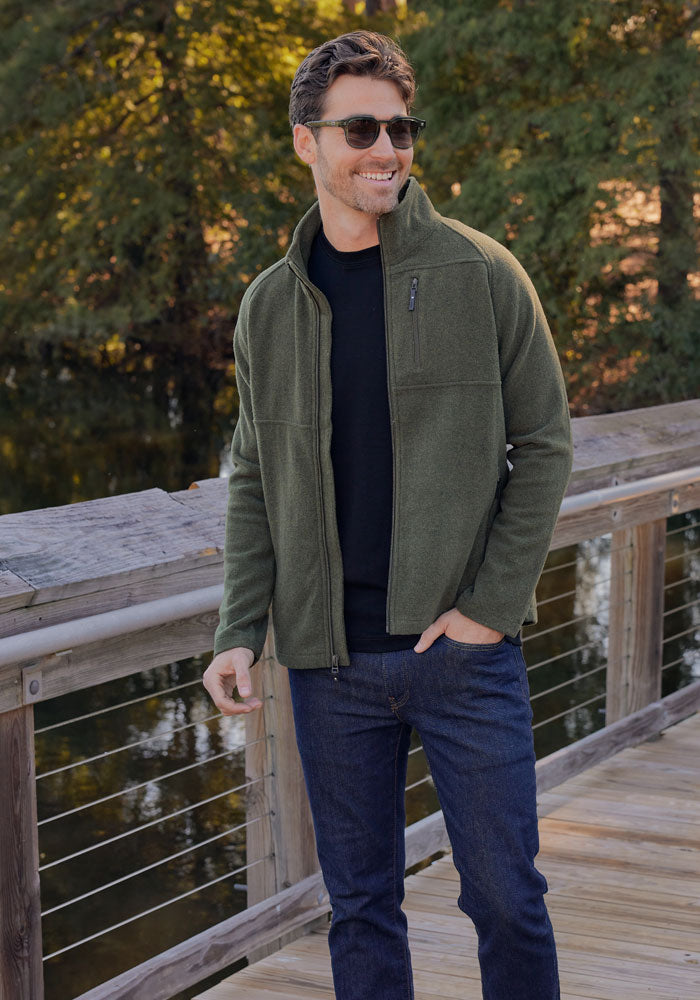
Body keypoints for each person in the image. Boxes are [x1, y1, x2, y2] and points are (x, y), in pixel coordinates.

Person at [203, 29, 572, 1000]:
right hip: (328, 663)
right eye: (360, 126)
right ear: (306, 143)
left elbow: (542, 445)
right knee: (360, 907)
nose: (387, 148)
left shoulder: (484, 274)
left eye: (401, 127)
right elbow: (251, 471)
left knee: (505, 897)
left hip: (464, 656)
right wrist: (241, 626)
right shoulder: (267, 307)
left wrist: (490, 608)